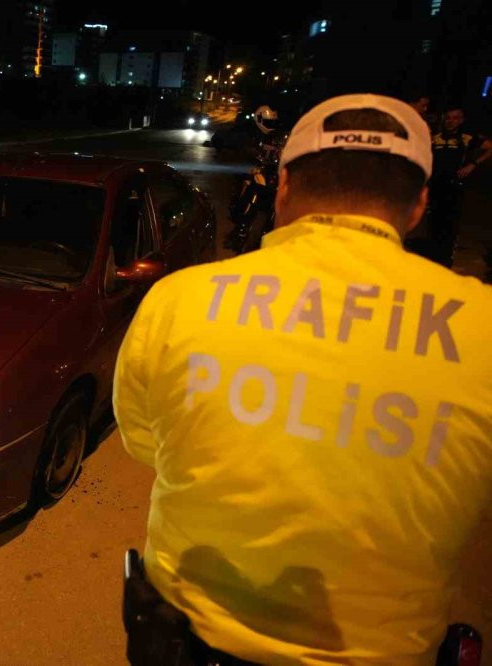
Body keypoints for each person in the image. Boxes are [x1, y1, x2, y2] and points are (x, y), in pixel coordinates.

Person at [115, 94, 492, 664]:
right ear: (418, 205)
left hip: (187, 637)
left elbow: (145, 443)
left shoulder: (180, 299)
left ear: (285, 186)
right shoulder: (481, 329)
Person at [422, 106, 492, 267]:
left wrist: (473, 164)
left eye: (455, 118)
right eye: (448, 118)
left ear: (461, 120)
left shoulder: (467, 138)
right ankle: (432, 255)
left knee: (450, 222)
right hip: (435, 184)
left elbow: (490, 147)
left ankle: (446, 259)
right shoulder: (435, 137)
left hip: (454, 186)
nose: (451, 121)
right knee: (434, 221)